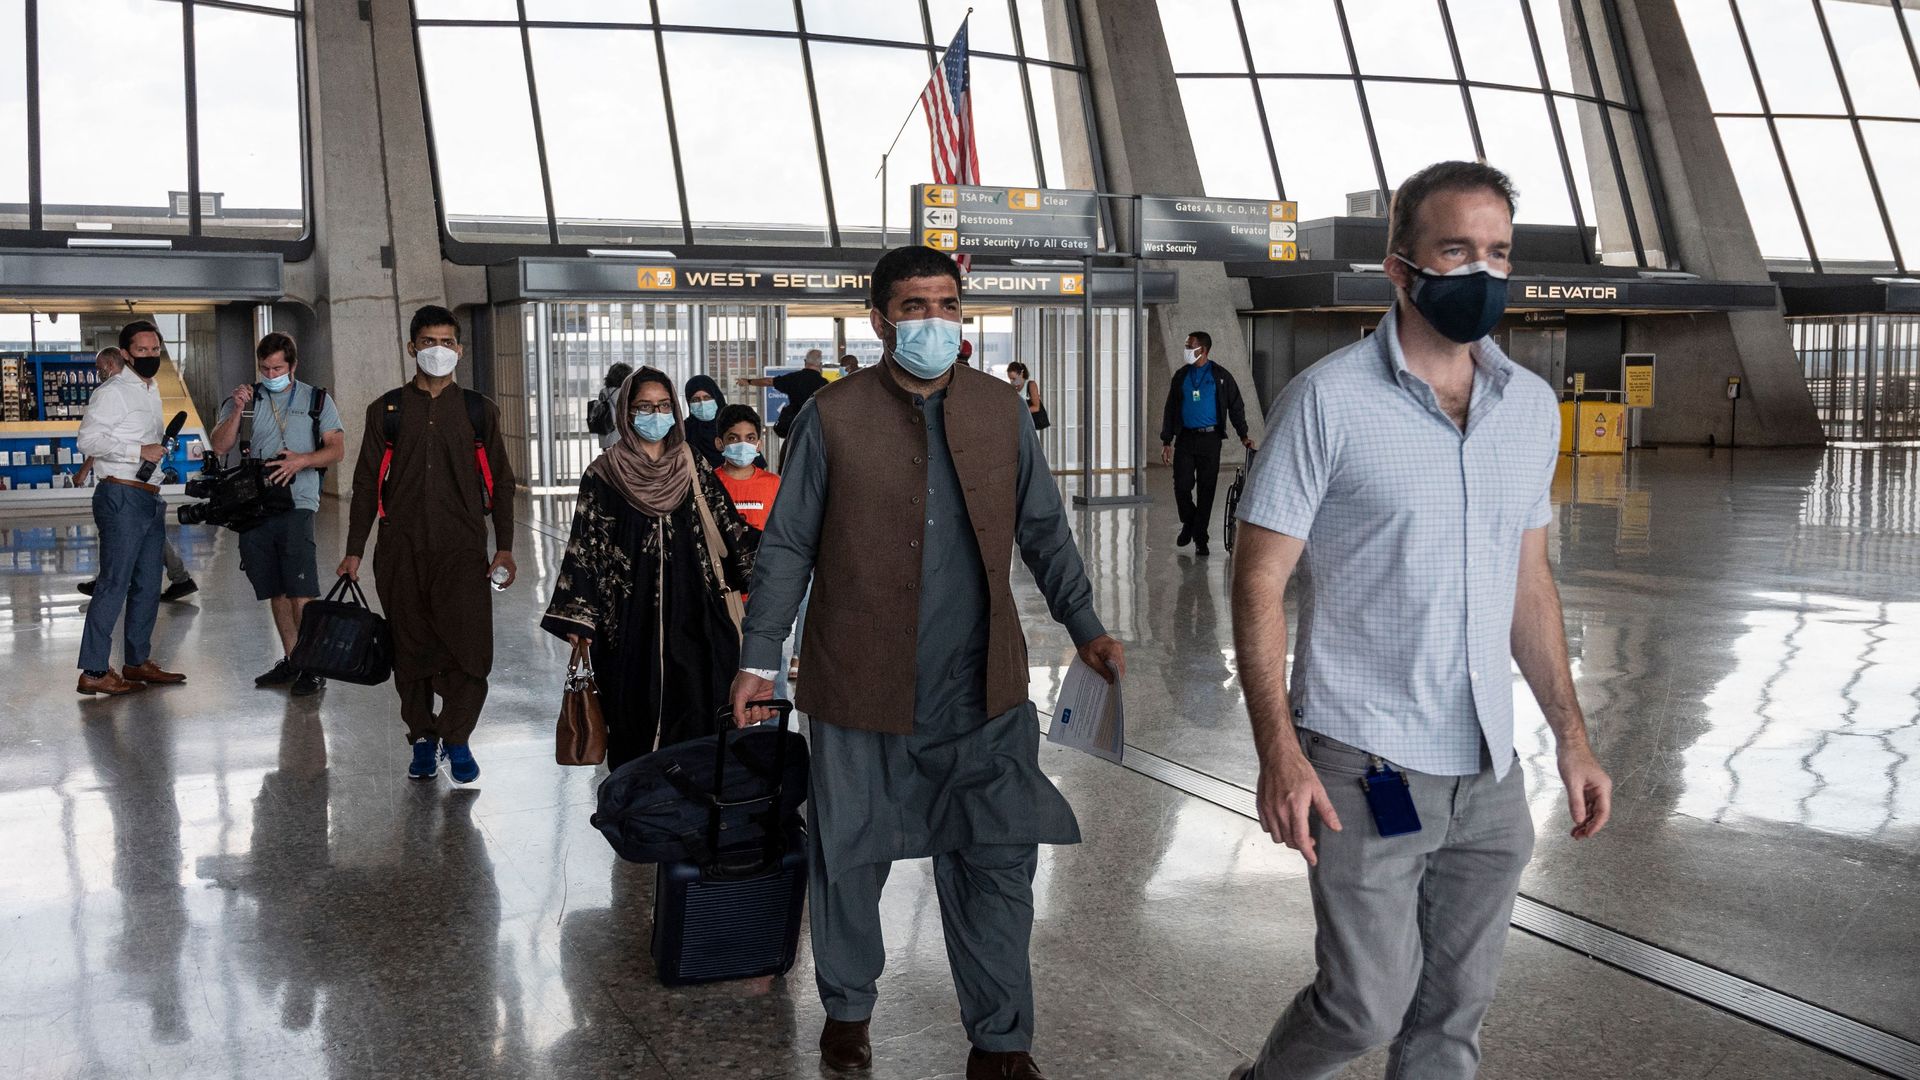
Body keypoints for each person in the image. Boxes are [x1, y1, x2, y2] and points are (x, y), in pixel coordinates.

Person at [1228, 161, 1613, 1080]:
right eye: (1456, 250)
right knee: (1365, 1003)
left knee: (1452, 1017)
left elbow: (1529, 583)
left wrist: (1573, 738)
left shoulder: (1529, 407)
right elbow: (1257, 583)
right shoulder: (1327, 402)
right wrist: (1278, 752)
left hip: (1487, 772)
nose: (1482, 272)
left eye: (1498, 252)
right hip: (1370, 767)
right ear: (1400, 269)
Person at [730, 246, 1127, 1080]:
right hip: (859, 679)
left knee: (998, 857)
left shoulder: (999, 409)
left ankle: (1002, 1039)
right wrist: (760, 657)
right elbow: (789, 545)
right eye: (915, 307)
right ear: (880, 321)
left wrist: (1085, 625)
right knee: (851, 854)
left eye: (948, 305)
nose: (934, 321)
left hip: (983, 684)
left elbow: (1044, 528)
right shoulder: (832, 418)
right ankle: (848, 1008)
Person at [542, 369, 758, 769]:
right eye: (644, 407)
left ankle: (692, 796)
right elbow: (586, 547)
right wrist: (579, 618)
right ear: (626, 412)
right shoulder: (604, 473)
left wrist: (790, 547)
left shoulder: (691, 463)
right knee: (633, 714)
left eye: (663, 406)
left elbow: (728, 526)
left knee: (698, 708)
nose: (655, 415)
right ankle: (639, 795)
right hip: (629, 621)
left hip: (696, 613)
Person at [339, 306, 517, 785]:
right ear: (411, 347)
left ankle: (456, 736)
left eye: (446, 342)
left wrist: (504, 546)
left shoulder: (478, 410)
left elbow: (500, 481)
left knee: (470, 648)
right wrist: (354, 549)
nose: (438, 350)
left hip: (463, 551)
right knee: (410, 648)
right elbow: (366, 483)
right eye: (427, 341)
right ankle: (422, 736)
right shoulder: (387, 411)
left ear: (459, 349)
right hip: (401, 550)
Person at [208, 332, 345, 697]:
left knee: (302, 590)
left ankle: (313, 666)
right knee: (277, 589)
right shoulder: (245, 400)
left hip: (298, 502)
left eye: (278, 368)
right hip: (255, 506)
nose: (271, 375)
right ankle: (293, 659)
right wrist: (237, 411)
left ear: (293, 366)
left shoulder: (316, 399)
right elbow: (220, 445)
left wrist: (303, 460)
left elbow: (336, 449)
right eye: (265, 369)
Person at [73, 320, 189, 696]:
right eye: (142, 350)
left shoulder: (150, 390)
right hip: (120, 496)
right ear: (126, 353)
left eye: (156, 350)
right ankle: (94, 670)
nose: (151, 356)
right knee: (114, 584)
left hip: (149, 496)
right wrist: (137, 450)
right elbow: (87, 440)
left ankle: (136, 662)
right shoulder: (113, 392)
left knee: (148, 584)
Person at [75, 346, 196, 603]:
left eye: (99, 368)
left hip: (133, 485)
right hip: (133, 483)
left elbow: (104, 440)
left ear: (110, 364)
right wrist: (86, 468)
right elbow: (103, 439)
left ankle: (117, 582)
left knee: (130, 536)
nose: (98, 373)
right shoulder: (127, 392)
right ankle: (176, 577)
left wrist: (138, 452)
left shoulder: (134, 392)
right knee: (142, 535)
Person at [1159, 330, 1254, 557]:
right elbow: (1170, 409)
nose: (1186, 350)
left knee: (1206, 489)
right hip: (1185, 438)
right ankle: (1189, 522)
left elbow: (1236, 406)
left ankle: (1201, 538)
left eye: (1189, 346)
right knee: (1181, 486)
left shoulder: (1221, 376)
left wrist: (1243, 434)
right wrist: (1166, 440)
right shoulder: (1181, 376)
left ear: (1202, 350)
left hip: (1210, 440)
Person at [739, 349, 828, 469]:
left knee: (788, 459)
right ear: (820, 365)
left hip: (795, 428)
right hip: (816, 431)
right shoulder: (825, 384)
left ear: (805, 361)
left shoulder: (794, 378)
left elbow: (769, 381)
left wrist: (749, 381)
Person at [712, 403, 779, 532]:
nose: (743, 444)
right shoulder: (709, 484)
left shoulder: (775, 484)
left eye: (750, 438)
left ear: (759, 445)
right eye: (733, 438)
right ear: (720, 443)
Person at [680, 374, 728, 469]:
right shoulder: (683, 431)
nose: (702, 404)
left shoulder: (734, 425)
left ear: (716, 398)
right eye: (695, 400)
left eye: (707, 398)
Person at [591, 363, 633, 452]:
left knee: (609, 459)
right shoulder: (624, 392)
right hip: (619, 436)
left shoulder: (603, 391)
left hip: (605, 435)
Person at [1005, 362, 1047, 430]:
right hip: (1018, 425)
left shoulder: (1031, 385)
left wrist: (1017, 412)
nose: (1012, 381)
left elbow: (1036, 407)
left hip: (1030, 425)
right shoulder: (1012, 388)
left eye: (1014, 378)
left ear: (1021, 374)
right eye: (1010, 379)